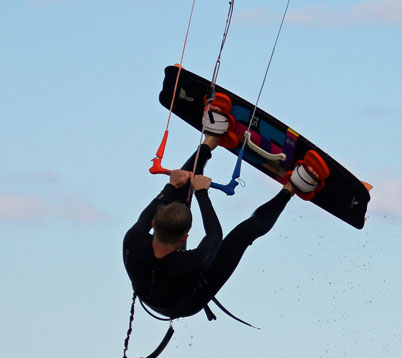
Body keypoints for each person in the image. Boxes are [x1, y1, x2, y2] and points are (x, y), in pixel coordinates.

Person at [123, 103, 329, 325]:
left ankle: (211, 140)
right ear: (185, 239)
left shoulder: (133, 240)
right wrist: (201, 193)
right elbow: (215, 237)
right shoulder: (192, 263)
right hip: (187, 299)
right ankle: (292, 188)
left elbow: (158, 203)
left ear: (155, 222)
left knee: (181, 184)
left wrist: (172, 186)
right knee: (241, 237)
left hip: (153, 277)